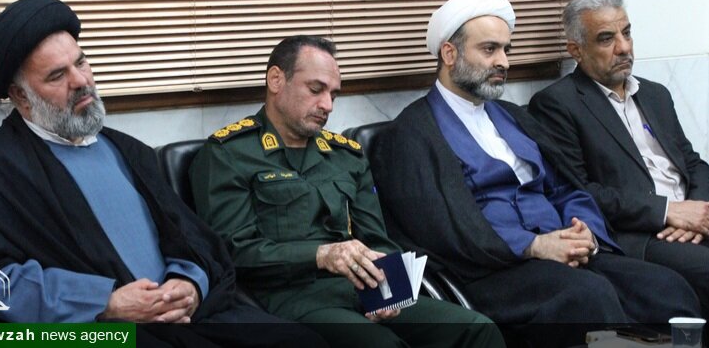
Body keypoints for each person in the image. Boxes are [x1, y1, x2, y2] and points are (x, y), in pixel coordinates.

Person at [0, 0, 325, 348]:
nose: (80, 80)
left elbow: (188, 236)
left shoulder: (128, 150)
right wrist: (105, 303)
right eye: (58, 75)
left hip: (187, 317)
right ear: (21, 95)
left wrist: (190, 283)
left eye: (81, 62)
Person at [370, 0, 701, 347]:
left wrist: (585, 232)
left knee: (666, 288)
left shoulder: (514, 117)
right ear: (450, 54)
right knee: (588, 298)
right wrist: (534, 246)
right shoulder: (411, 135)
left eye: (506, 50)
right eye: (489, 49)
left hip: (562, 254)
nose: (504, 62)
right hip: (491, 272)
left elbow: (565, 187)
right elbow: (443, 230)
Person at [189, 35, 505, 348]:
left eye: (333, 94)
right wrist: (320, 255)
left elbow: (377, 238)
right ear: (276, 80)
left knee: (477, 329)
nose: (327, 105)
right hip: (291, 300)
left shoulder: (345, 155)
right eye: (315, 90)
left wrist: (391, 291)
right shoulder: (229, 154)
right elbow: (234, 252)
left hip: (364, 289)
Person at [528, 0, 709, 329]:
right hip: (643, 234)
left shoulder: (655, 94)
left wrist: (700, 209)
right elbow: (581, 192)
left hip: (697, 221)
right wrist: (667, 212)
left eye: (627, 33)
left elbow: (692, 162)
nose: (624, 47)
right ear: (576, 50)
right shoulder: (558, 104)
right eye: (606, 39)